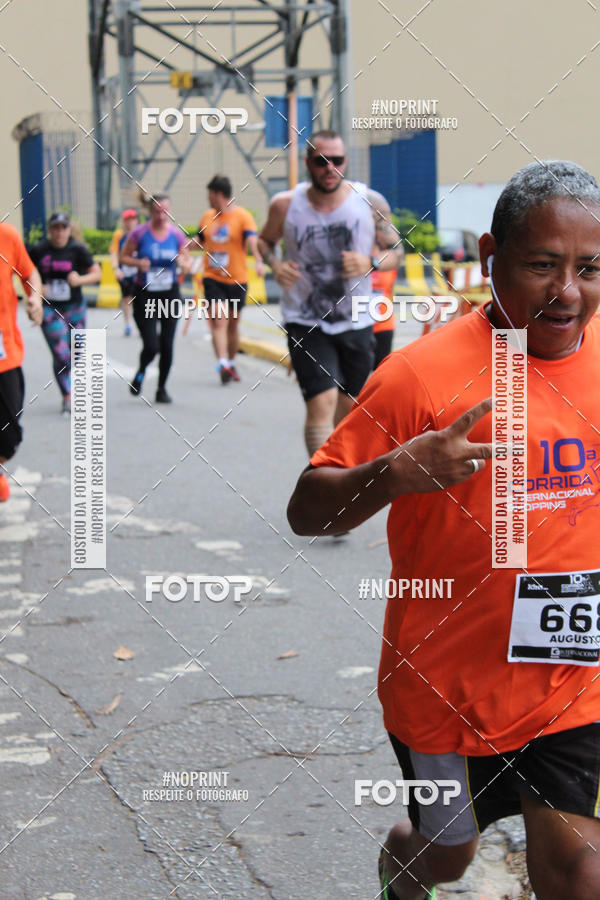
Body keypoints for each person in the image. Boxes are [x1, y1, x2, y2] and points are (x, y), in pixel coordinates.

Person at [287, 160, 600, 900]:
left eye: (590, 268)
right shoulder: (418, 378)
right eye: (542, 265)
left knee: (579, 869)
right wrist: (393, 474)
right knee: (448, 853)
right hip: (444, 692)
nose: (569, 292)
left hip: (570, 679)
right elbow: (308, 509)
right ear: (491, 259)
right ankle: (403, 877)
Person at [258, 130, 403, 457]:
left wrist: (369, 261)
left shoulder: (370, 202)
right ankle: (322, 481)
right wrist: (275, 265)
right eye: (321, 161)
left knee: (349, 406)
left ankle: (337, 470)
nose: (329, 168)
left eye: (336, 160)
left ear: (345, 161)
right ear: (308, 163)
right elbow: (264, 242)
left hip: (356, 317)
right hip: (305, 319)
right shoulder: (285, 205)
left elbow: (397, 251)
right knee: (321, 401)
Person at [187, 175, 265, 384]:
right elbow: (200, 239)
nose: (208, 200)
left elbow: (252, 240)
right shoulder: (207, 217)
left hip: (237, 279)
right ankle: (222, 363)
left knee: (233, 325)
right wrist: (187, 246)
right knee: (219, 321)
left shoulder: (242, 216)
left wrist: (258, 260)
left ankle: (231, 362)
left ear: (219, 194)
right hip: (212, 277)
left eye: (210, 195)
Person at [121, 192, 189, 404]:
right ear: (150, 211)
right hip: (145, 295)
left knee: (167, 344)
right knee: (152, 345)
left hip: (170, 295)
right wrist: (137, 263)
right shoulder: (139, 234)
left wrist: (184, 264)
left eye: (165, 211)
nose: (161, 216)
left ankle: (161, 388)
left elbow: (186, 260)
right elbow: (123, 256)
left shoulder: (177, 236)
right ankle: (141, 371)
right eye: (157, 211)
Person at [29, 212, 101, 415]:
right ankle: (67, 396)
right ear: (50, 229)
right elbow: (25, 272)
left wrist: (79, 280)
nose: (59, 232)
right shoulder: (40, 250)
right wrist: (36, 288)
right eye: (55, 228)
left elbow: (97, 273)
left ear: (69, 230)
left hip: (75, 308)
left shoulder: (77, 249)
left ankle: (69, 388)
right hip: (50, 308)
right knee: (61, 353)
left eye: (63, 228)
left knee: (76, 354)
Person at [0, 223, 43, 501]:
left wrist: (35, 299)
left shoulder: (7, 236)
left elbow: (30, 273)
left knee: (9, 436)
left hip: (5, 353)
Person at [109, 208, 139, 336]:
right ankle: (127, 323)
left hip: (139, 272)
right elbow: (114, 252)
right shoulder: (119, 235)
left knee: (140, 299)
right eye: (127, 219)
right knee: (126, 298)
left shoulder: (141, 233)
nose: (130, 222)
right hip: (125, 272)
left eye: (132, 219)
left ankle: (142, 324)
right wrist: (116, 269)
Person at [371, 265, 398, 367]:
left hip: (384, 324)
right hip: (357, 325)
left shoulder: (390, 260)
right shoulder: (357, 256)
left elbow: (391, 290)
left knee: (381, 369)